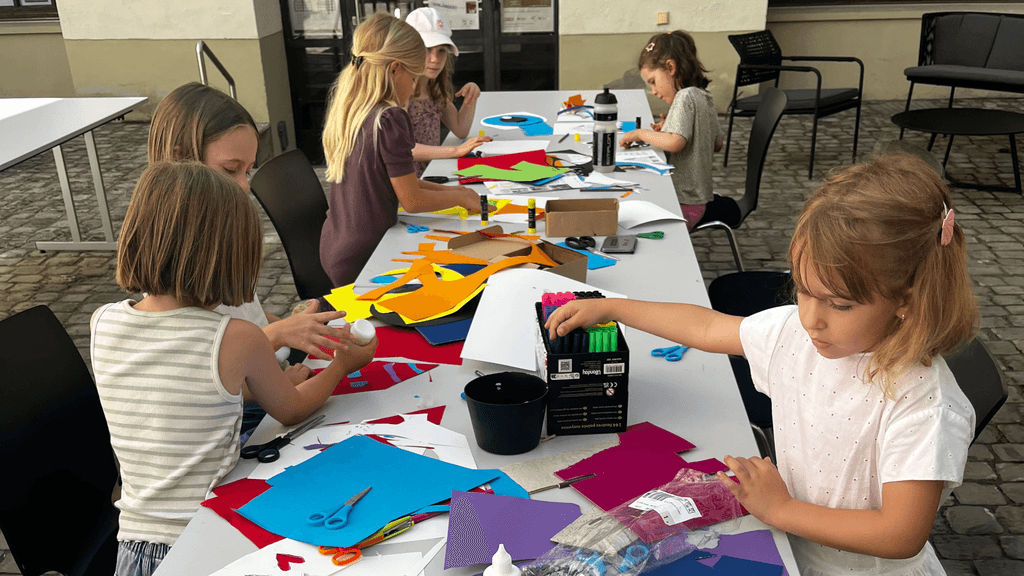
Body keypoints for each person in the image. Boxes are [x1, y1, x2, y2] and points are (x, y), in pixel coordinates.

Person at [546, 153, 979, 575]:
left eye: (840, 304)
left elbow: (900, 534)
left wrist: (781, 508)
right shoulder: (797, 334)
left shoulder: (923, 403)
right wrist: (615, 308)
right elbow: (706, 327)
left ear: (906, 300)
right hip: (791, 547)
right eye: (803, 290)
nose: (811, 318)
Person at [92, 162, 377, 576]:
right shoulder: (235, 337)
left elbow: (179, 398)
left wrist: (262, 383)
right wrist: (342, 365)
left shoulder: (103, 322)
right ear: (229, 257)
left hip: (134, 551)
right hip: (207, 541)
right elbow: (293, 409)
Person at [320, 13, 483, 287]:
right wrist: (459, 199)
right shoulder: (390, 118)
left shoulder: (352, 109)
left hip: (337, 246)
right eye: (414, 76)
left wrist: (458, 193)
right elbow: (412, 200)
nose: (414, 86)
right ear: (395, 69)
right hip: (366, 257)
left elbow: (401, 184)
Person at [620, 31, 723, 231]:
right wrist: (670, 127)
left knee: (629, 217)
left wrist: (640, 133)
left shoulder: (684, 97)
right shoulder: (703, 96)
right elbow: (717, 143)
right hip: (697, 201)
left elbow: (675, 143)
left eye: (653, 81)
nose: (653, 91)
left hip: (682, 202)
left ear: (670, 67)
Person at [405, 6, 490, 177]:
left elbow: (460, 129)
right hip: (409, 180)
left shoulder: (434, 89)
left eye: (441, 51)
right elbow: (403, 150)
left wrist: (470, 99)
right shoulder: (401, 93)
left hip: (432, 172)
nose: (435, 59)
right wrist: (455, 150)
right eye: (426, 50)